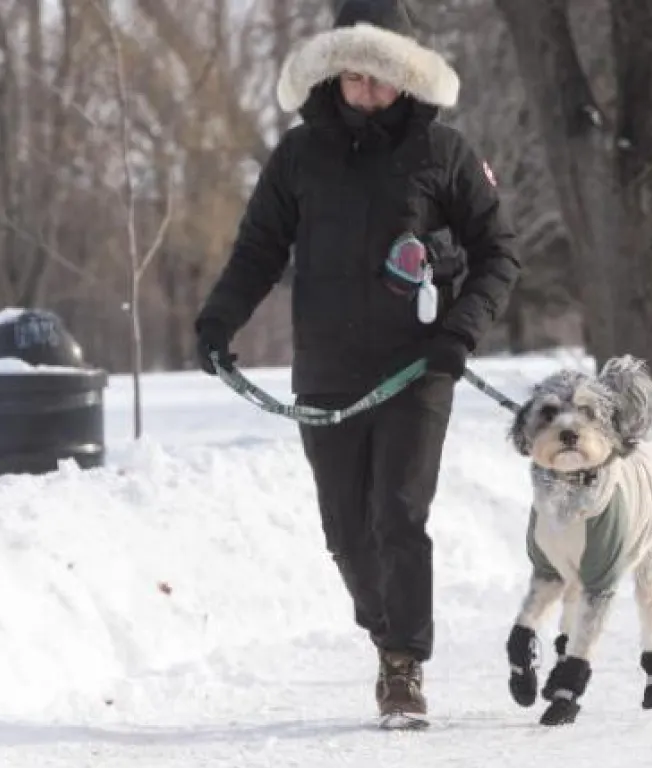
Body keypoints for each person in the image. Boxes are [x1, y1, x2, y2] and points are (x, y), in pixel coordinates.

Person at [192, 0, 520, 723]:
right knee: (346, 529)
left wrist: (460, 331)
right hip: (329, 367)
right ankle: (386, 632)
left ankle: (403, 665)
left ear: (406, 77)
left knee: (397, 514)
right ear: (333, 74)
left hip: (417, 365)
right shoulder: (299, 157)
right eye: (354, 78)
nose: (368, 91)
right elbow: (258, 252)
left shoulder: (445, 154)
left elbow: (499, 254)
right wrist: (218, 320)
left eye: (382, 78)